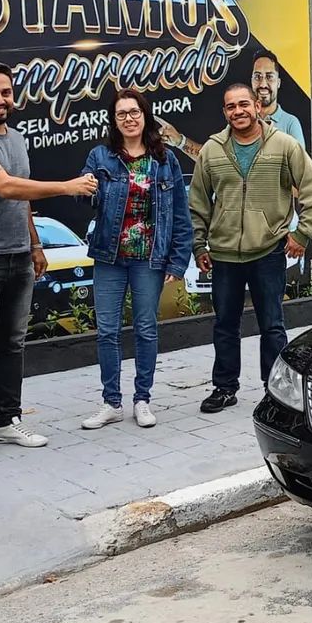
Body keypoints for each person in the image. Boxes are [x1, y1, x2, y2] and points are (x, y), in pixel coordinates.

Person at [0, 61, 98, 464]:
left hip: (17, 256)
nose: (0, 100)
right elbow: (5, 186)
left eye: (6, 92)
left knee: (13, 343)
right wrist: (67, 187)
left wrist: (35, 245)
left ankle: (6, 421)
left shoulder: (16, 138)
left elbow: (23, 198)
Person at [190, 84, 312, 413]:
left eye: (243, 104)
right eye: (231, 107)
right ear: (224, 113)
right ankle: (224, 388)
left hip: (268, 251)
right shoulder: (212, 150)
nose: (238, 111)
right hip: (223, 255)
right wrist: (198, 245)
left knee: (272, 325)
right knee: (224, 325)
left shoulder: (283, 145)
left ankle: (275, 390)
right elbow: (197, 202)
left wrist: (302, 234)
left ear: (258, 107)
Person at [80, 89, 193, 431]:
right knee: (107, 331)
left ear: (145, 115)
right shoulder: (100, 156)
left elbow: (180, 215)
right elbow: (83, 199)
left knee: (145, 329)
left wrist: (178, 261)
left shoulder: (164, 160)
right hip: (109, 257)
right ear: (113, 121)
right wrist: (85, 190)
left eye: (134, 112)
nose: (129, 118)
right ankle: (111, 403)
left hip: (149, 258)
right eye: (121, 114)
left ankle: (142, 399)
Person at [251, 50, 306, 147]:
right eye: (257, 76)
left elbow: (299, 161)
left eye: (269, 77)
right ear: (251, 81)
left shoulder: (290, 124)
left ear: (278, 83)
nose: (263, 84)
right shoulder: (242, 120)